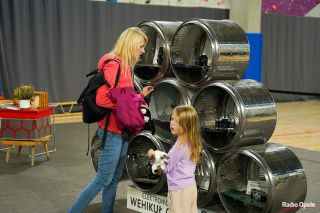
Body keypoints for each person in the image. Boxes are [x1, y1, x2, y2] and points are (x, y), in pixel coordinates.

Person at [68, 27, 154, 213]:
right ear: (131, 44)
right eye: (141, 46)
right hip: (111, 131)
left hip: (122, 129)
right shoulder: (114, 65)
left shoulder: (126, 66)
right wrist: (129, 106)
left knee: (114, 178)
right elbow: (102, 99)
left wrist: (139, 96)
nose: (143, 51)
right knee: (103, 179)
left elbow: (123, 97)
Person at [148, 105, 202, 213]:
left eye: (177, 121)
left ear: (186, 125)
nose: (172, 123)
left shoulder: (179, 147)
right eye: (172, 119)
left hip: (179, 191)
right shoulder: (190, 141)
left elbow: (166, 168)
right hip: (190, 187)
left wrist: (153, 156)